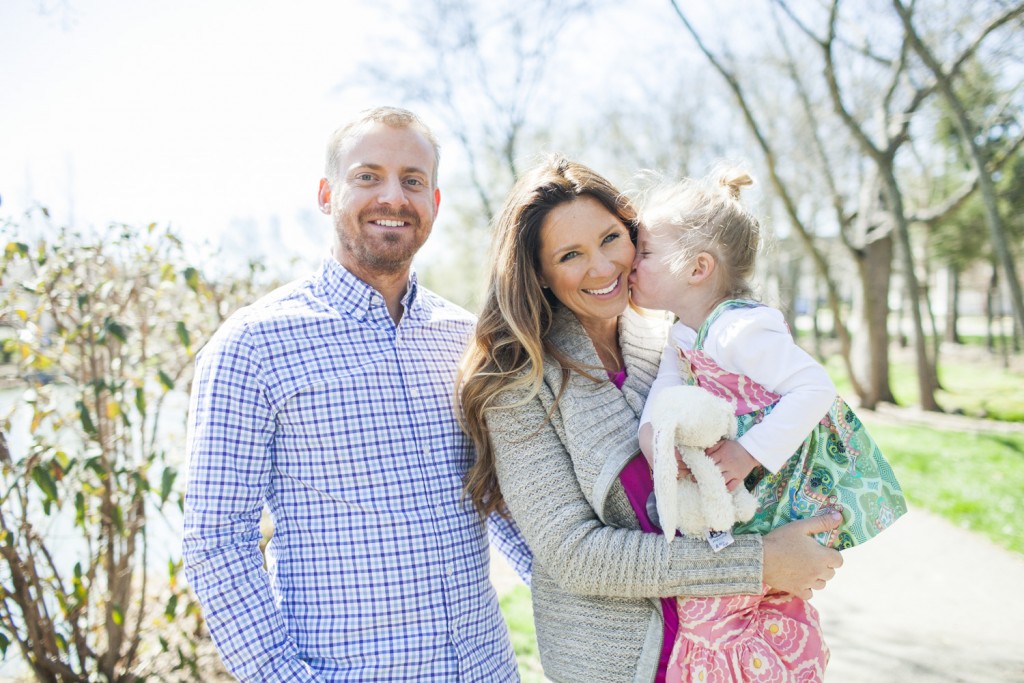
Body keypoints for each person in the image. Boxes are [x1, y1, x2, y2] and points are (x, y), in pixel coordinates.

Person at [457, 155, 844, 683]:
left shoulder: (672, 343)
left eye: (611, 239)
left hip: (732, 652)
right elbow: (574, 554)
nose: (602, 267)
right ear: (540, 274)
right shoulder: (519, 383)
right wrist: (758, 563)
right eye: (571, 255)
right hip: (620, 666)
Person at [182, 106, 531, 681]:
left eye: (413, 181)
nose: (393, 197)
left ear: (434, 204)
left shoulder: (469, 341)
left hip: (487, 668)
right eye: (368, 175)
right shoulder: (252, 345)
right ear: (327, 193)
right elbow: (218, 540)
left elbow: (503, 502)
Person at [630, 166, 907, 681]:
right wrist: (654, 442)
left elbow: (815, 388)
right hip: (747, 489)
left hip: (785, 477)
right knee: (736, 597)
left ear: (697, 267)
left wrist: (748, 452)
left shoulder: (738, 328)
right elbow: (666, 393)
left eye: (644, 251)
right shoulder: (682, 333)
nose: (630, 261)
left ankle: (777, 666)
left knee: (766, 593)